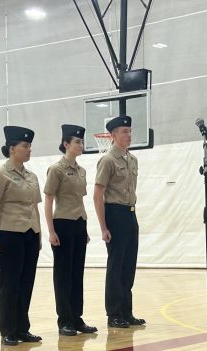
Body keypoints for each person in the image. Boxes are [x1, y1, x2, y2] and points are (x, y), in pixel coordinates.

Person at [0, 126, 43, 346]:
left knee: (26, 282)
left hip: (29, 234)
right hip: (8, 233)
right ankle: (8, 330)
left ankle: (22, 328)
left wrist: (38, 233)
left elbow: (34, 207)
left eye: (29, 146)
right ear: (12, 149)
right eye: (25, 146)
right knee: (10, 283)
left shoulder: (32, 176)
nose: (29, 150)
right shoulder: (0, 174)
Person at [44, 124, 98, 336]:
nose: (81, 145)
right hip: (62, 223)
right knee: (63, 274)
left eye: (82, 142)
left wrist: (84, 227)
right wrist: (51, 230)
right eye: (77, 142)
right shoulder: (56, 169)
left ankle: (77, 317)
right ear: (66, 144)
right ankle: (64, 319)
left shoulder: (82, 171)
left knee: (77, 273)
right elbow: (48, 200)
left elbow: (79, 200)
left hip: (78, 222)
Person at [93, 116, 146, 328]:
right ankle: (114, 313)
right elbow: (98, 195)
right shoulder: (107, 160)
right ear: (113, 136)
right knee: (116, 266)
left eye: (130, 131)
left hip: (130, 214)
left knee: (128, 265)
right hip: (114, 214)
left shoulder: (132, 160)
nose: (129, 135)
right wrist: (103, 227)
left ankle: (126, 311)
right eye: (124, 131)